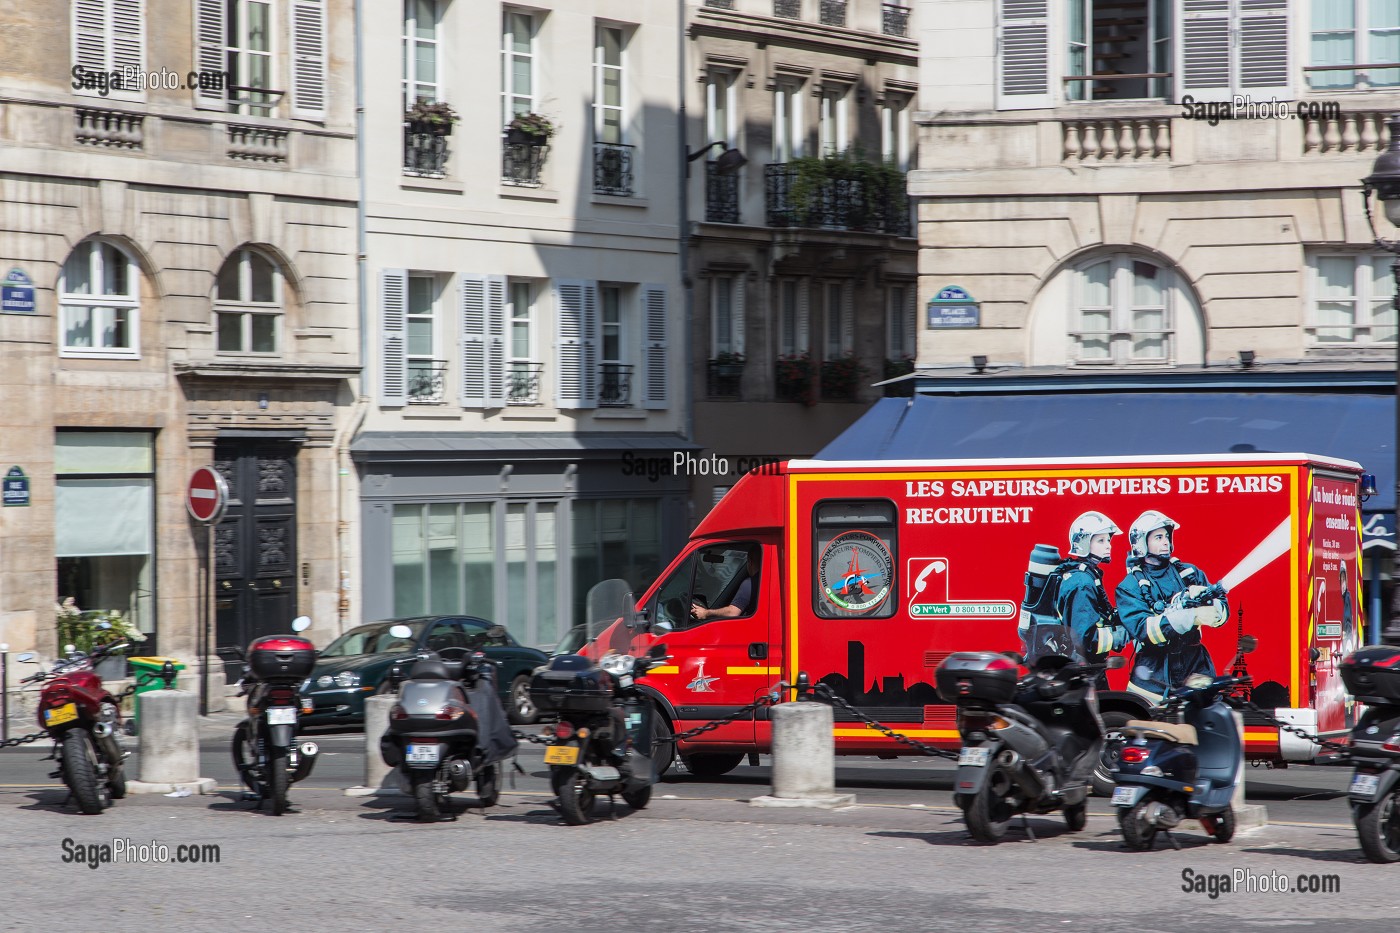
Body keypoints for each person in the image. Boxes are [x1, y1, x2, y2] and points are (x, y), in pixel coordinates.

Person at [1116, 510, 1229, 702]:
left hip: (1195, 664)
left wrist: (1214, 609)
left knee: (1209, 720)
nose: (1166, 542)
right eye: (1158, 537)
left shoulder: (1190, 572)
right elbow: (1143, 630)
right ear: (1142, 543)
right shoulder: (1129, 586)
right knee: (1147, 724)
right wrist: (1190, 616)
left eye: (1167, 536)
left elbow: (1224, 613)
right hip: (1153, 673)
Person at [1055, 511, 1130, 671]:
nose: (1109, 545)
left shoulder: (1083, 575)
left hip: (1083, 667)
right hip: (1084, 671)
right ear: (1084, 543)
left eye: (1108, 540)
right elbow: (1085, 641)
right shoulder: (1083, 583)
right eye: (1101, 540)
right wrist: (1125, 633)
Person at [692, 547, 759, 621]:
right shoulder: (764, 582)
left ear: (750, 562)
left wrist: (706, 613)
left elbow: (733, 612)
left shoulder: (750, 584)